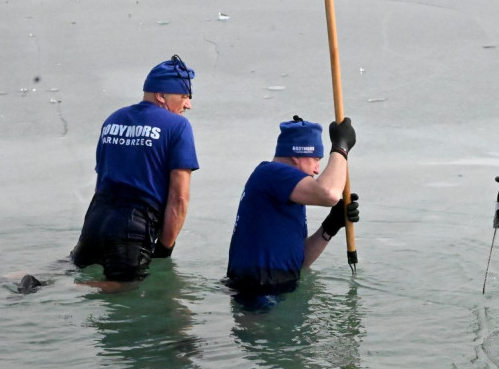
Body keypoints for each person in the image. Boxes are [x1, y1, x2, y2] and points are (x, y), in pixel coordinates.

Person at [70, 55, 199, 290]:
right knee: (127, 286)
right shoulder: (178, 126)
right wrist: (164, 249)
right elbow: (179, 198)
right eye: (184, 97)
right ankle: (67, 290)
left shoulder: (114, 119)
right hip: (133, 224)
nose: (188, 104)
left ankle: (14, 279)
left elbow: (101, 178)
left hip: (96, 218)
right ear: (161, 96)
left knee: (67, 269)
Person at [226, 116, 359, 296]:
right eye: (315, 159)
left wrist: (330, 226)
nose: (317, 169)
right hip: (256, 291)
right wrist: (341, 148)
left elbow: (299, 262)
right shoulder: (272, 173)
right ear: (297, 154)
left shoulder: (285, 190)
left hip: (277, 286)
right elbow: (329, 194)